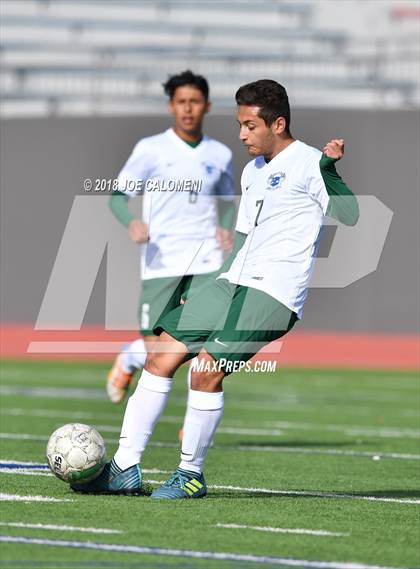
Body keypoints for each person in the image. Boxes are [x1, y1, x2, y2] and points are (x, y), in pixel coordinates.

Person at [73, 79, 359, 498]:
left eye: (249, 126)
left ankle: (190, 474)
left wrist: (330, 171)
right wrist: (213, 283)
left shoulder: (311, 163)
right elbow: (242, 239)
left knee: (205, 372)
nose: (241, 134)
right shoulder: (252, 170)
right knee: (161, 355)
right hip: (231, 280)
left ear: (277, 124)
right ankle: (124, 468)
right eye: (239, 124)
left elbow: (350, 214)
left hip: (274, 293)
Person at [107, 70, 236, 404]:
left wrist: (227, 227)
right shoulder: (150, 149)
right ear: (171, 106)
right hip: (161, 259)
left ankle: (197, 417)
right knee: (157, 354)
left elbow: (226, 202)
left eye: (195, 101)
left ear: (207, 106)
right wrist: (131, 222)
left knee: (205, 344)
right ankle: (131, 356)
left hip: (206, 259)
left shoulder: (220, 154)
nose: (188, 109)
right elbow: (118, 197)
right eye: (182, 102)